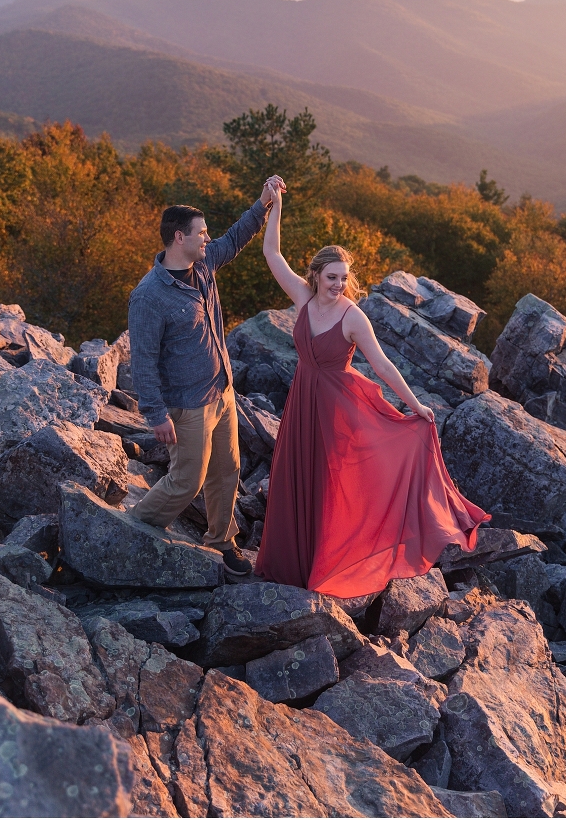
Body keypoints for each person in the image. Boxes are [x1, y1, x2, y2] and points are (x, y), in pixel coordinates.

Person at [255, 180, 490, 598]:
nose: (338, 285)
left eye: (344, 278)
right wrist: (274, 204)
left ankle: (323, 568)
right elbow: (272, 253)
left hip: (335, 411)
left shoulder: (352, 317)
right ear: (315, 275)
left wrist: (415, 405)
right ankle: (286, 567)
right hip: (301, 404)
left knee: (328, 487)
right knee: (294, 479)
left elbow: (381, 365)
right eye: (331, 277)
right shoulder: (303, 298)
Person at [128, 178, 284, 577]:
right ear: (179, 238)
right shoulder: (149, 295)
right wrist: (155, 414)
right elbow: (142, 359)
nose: (207, 238)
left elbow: (234, 238)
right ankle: (133, 527)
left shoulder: (203, 264)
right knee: (187, 481)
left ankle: (220, 540)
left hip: (222, 391)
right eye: (201, 233)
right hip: (186, 404)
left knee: (227, 470)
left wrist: (263, 203)